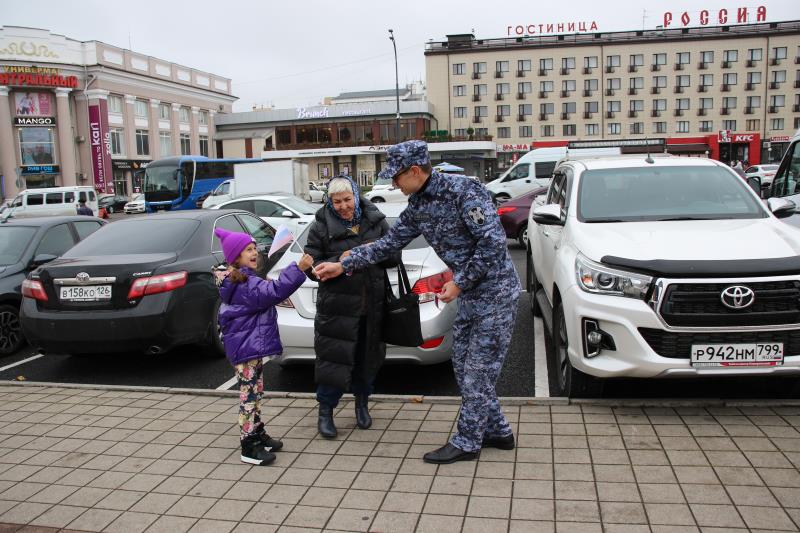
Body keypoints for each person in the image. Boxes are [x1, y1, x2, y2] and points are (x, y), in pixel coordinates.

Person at [315, 140, 521, 464]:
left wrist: (460, 282)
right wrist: (344, 264)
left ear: (414, 171)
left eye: (396, 177)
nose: (393, 184)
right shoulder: (418, 206)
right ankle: (498, 430)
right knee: (464, 367)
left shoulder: (463, 191)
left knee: (477, 373)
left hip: (496, 295)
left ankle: (468, 441)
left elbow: (492, 244)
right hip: (469, 298)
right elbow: (388, 244)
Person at [304, 175, 400, 439]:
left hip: (372, 306)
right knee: (333, 361)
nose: (343, 206)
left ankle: (362, 405)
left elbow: (394, 256)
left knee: (367, 360)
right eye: (337, 202)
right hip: (337, 308)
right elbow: (313, 267)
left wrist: (373, 250)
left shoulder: (375, 220)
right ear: (329, 202)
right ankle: (325, 412)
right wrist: (341, 259)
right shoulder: (320, 226)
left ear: (356, 197)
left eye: (347, 199)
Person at [214, 227, 313, 465]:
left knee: (255, 392)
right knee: (249, 396)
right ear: (235, 256)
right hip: (245, 347)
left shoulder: (243, 278)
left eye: (254, 248)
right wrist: (298, 269)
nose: (254, 252)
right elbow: (274, 292)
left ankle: (257, 432)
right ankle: (249, 445)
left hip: (250, 346)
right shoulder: (243, 283)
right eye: (248, 249)